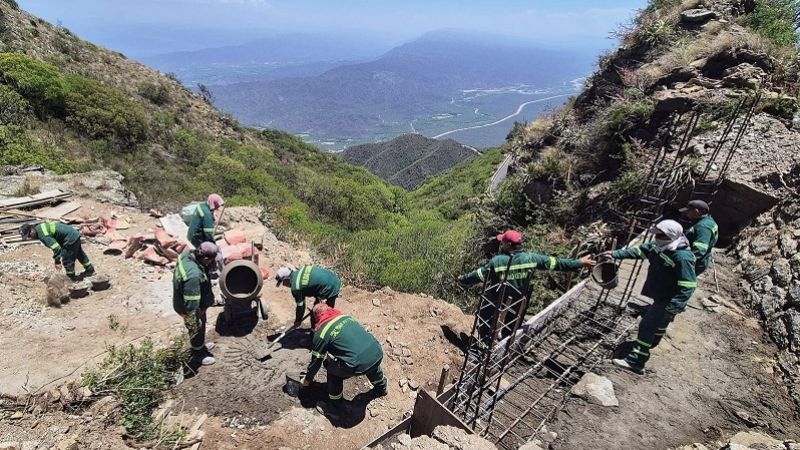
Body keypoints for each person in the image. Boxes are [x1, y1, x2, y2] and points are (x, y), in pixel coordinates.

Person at [457, 230, 594, 344]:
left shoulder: (497, 261)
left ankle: (485, 345)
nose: (501, 243)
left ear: (509, 245)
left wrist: (462, 280)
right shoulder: (531, 258)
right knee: (511, 325)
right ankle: (505, 344)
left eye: (503, 242)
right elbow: (557, 263)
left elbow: (478, 276)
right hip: (517, 299)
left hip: (496, 298)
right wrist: (579, 263)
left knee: (486, 317)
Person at [600, 220, 697, 374]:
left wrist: (674, 307)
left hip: (669, 299)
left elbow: (689, 285)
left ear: (670, 236)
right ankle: (653, 341)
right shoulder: (661, 246)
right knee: (659, 324)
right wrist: (615, 254)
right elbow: (639, 251)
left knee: (646, 325)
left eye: (660, 235)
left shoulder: (682, 257)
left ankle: (636, 361)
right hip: (661, 295)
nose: (656, 237)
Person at [299, 303, 387, 406]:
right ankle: (382, 388)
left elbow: (316, 362)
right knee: (367, 357)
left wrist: (307, 379)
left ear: (317, 318)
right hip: (376, 351)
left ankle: (336, 407)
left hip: (358, 363)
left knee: (332, 371)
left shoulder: (322, 334)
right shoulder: (346, 317)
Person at [173, 242, 220, 366]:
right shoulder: (193, 277)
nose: (212, 263)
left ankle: (200, 345)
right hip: (189, 307)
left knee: (201, 325)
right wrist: (195, 316)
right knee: (196, 327)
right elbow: (191, 304)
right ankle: (198, 354)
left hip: (189, 301)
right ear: (204, 258)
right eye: (211, 260)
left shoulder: (187, 254)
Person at [21, 221, 95, 281]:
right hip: (73, 234)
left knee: (67, 259)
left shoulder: (43, 235)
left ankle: (71, 278)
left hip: (70, 238)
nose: (30, 238)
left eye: (29, 236)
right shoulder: (38, 227)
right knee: (79, 253)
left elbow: (57, 248)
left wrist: (57, 261)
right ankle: (90, 270)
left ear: (31, 230)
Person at [275, 265, 342, 328]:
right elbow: (313, 283)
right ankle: (327, 323)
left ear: (286, 279)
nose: (284, 285)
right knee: (324, 308)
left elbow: (300, 306)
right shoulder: (300, 270)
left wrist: (298, 320)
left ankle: (317, 331)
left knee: (317, 313)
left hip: (330, 286)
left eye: (282, 283)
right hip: (333, 279)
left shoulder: (296, 287)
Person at [681, 199, 718, 276]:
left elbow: (699, 251)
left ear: (697, 211)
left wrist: (682, 260)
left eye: (689, 211)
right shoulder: (708, 221)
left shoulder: (703, 227)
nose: (686, 213)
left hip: (693, 264)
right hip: (699, 262)